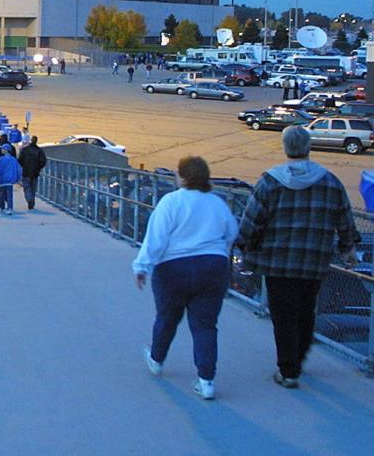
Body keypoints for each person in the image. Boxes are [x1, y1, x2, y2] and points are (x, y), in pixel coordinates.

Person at [238, 125, 358, 389]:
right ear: (308, 146)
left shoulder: (270, 181)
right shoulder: (330, 181)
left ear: (285, 147)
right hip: (314, 261)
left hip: (278, 262)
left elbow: (251, 221)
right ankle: (299, 359)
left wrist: (246, 246)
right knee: (306, 311)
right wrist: (348, 248)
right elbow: (345, 219)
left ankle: (288, 370)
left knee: (283, 316)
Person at [132, 156, 239, 401]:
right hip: (213, 267)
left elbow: (156, 239)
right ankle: (206, 380)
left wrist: (142, 267)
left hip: (173, 269)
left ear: (182, 177)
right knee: (204, 325)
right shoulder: (217, 203)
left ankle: (157, 360)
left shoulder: (171, 202)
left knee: (167, 317)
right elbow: (231, 232)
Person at [18, 136, 47, 209]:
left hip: (26, 172)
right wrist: (38, 168)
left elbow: (20, 160)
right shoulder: (39, 151)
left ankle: (29, 199)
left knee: (27, 188)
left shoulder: (25, 150)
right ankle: (32, 203)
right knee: (33, 189)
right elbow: (43, 161)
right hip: (35, 173)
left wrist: (24, 166)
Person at [0, 146, 22, 215]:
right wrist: (17, 178)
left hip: (2, 179)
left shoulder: (0, 159)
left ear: (6, 150)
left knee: (1, 195)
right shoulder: (13, 159)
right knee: (9, 195)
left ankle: (2, 207)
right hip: (10, 180)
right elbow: (19, 169)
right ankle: (10, 208)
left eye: (3, 149)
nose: (1, 150)